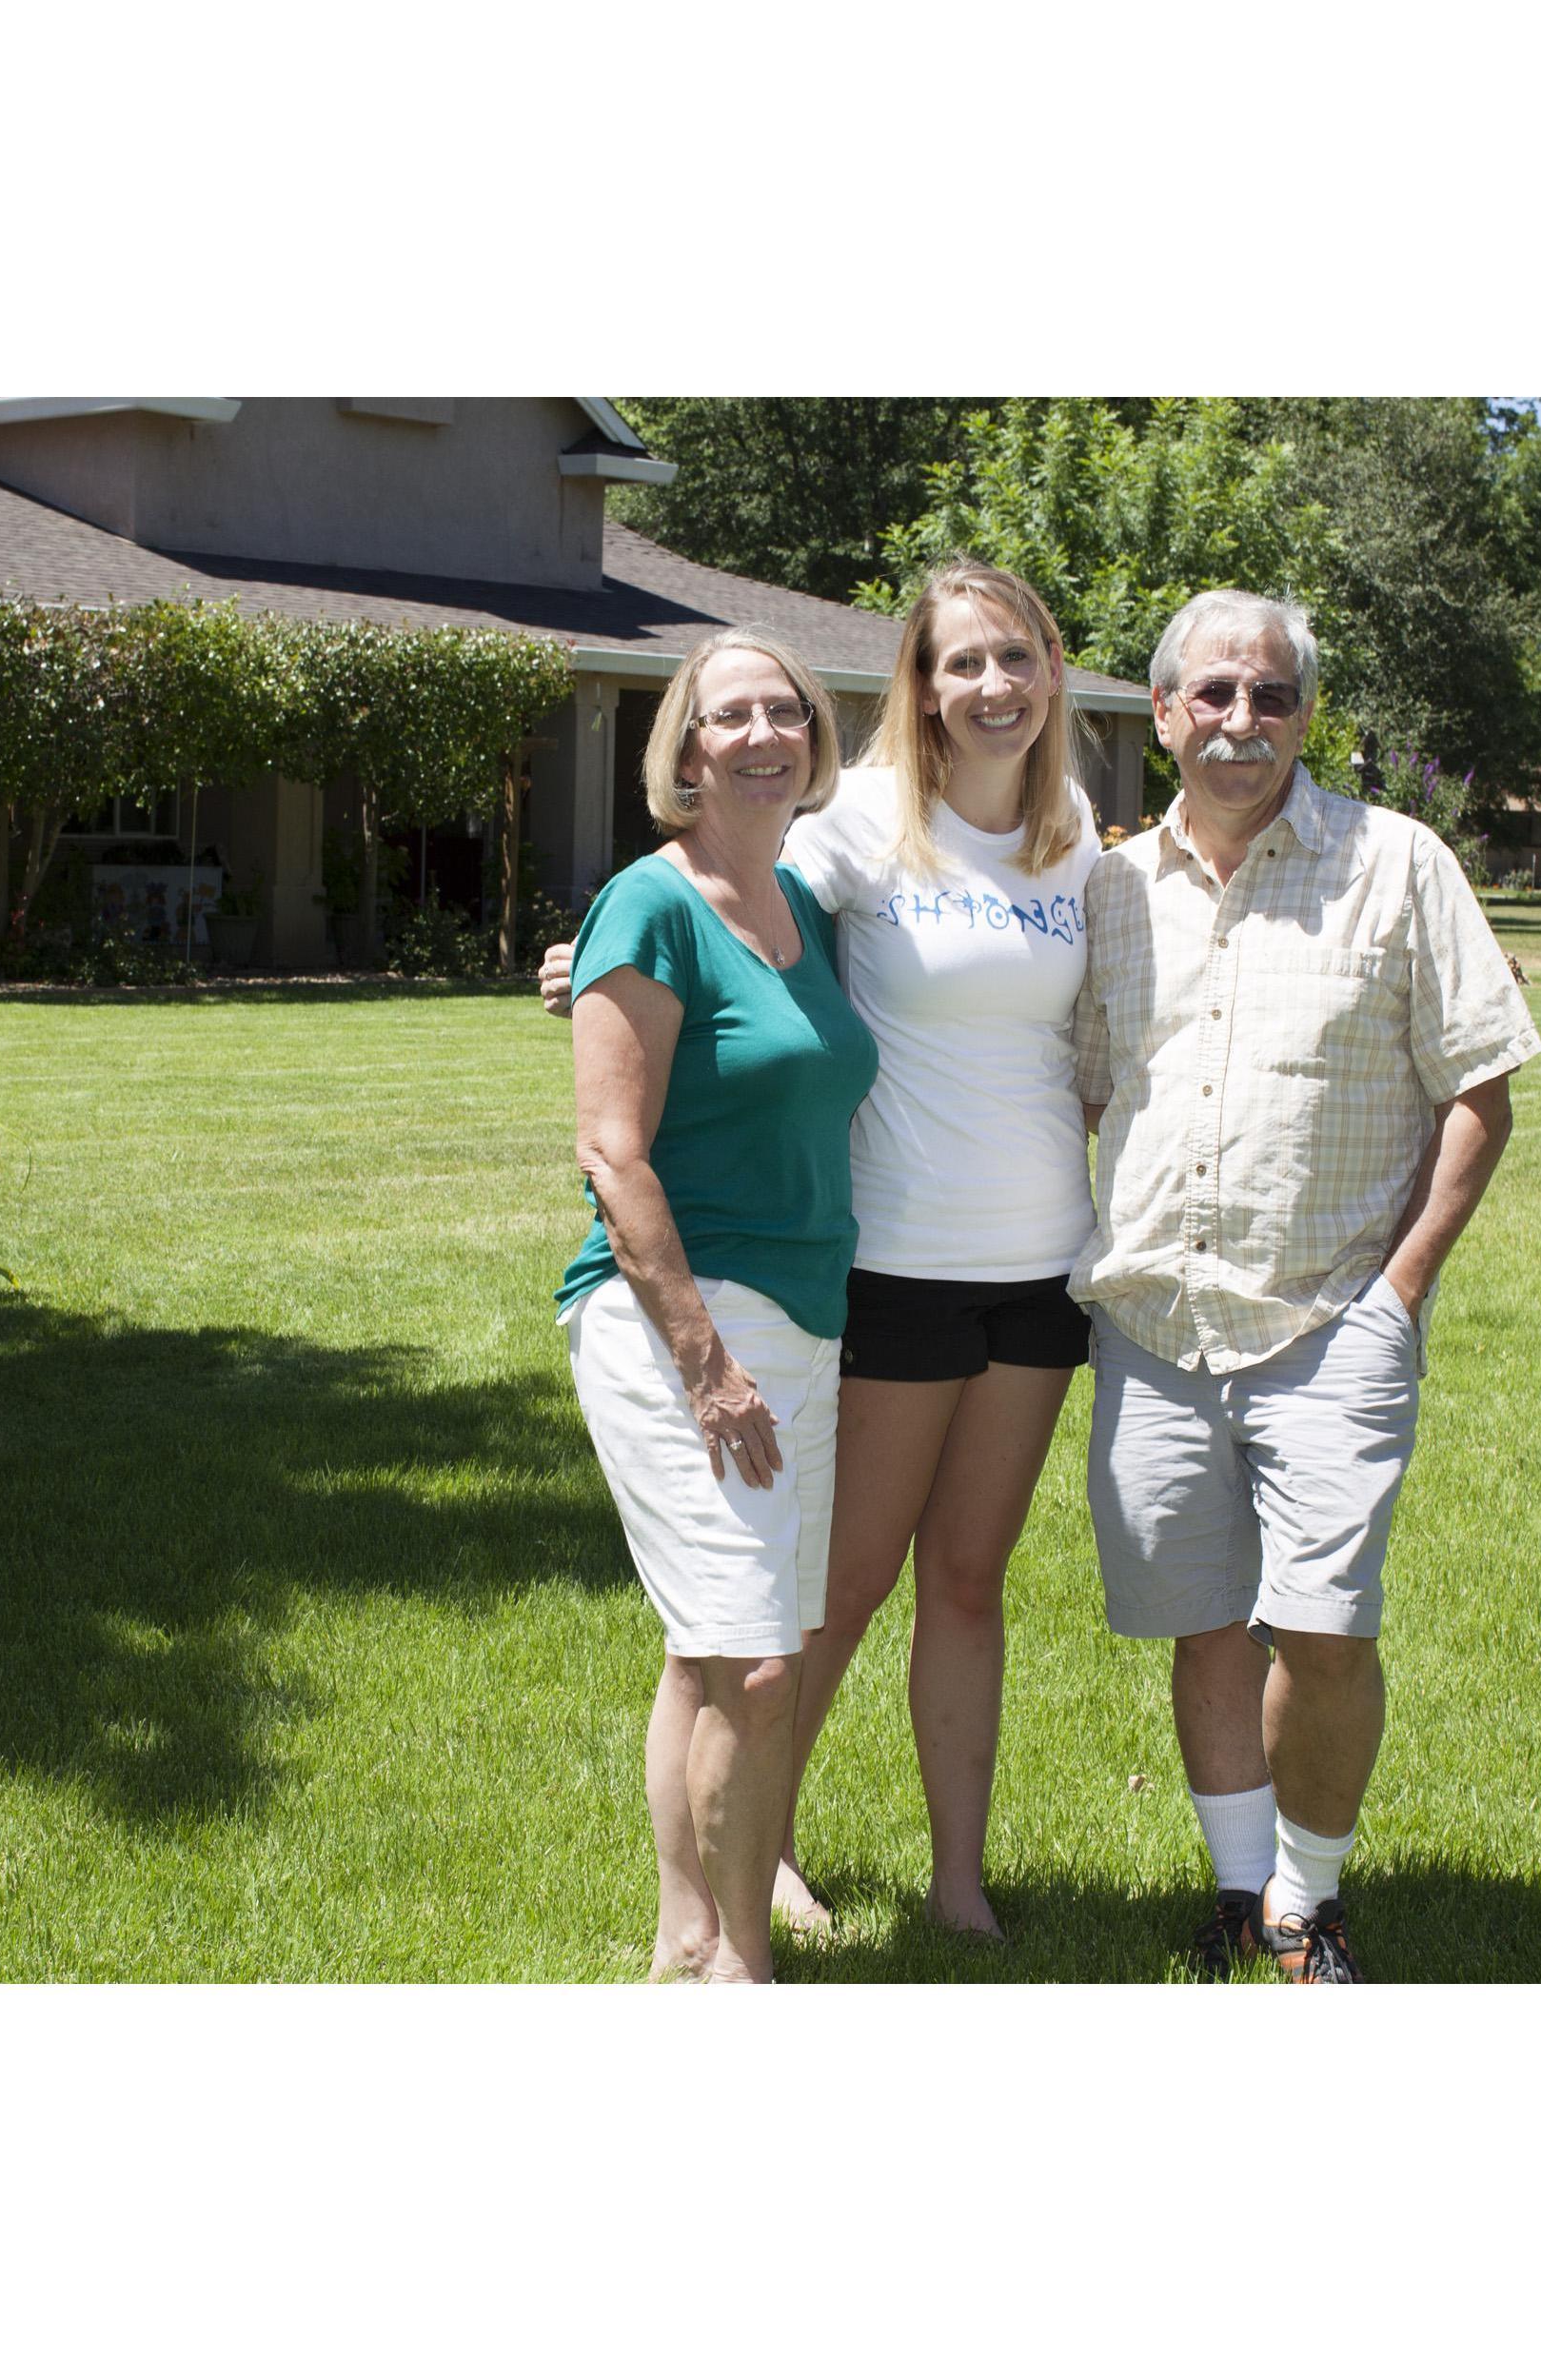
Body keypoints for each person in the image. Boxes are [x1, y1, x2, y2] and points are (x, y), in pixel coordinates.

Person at [549, 559, 1101, 1938]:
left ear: (1053, 673)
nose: (993, 685)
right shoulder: (861, 818)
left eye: (1016, 657)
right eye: (961, 662)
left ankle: (957, 1883)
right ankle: (758, 1858)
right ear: (918, 685)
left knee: (966, 1584)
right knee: (830, 1595)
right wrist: (590, 967)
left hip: (1044, 1266)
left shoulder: (1077, 835)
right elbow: (726, 914)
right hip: (894, 1257)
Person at [1071, 588, 1541, 1981]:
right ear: (1164, 713)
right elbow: (1064, 1080)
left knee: (1325, 1630)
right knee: (1205, 1622)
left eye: (1271, 695)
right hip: (1154, 1323)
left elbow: (1480, 1090)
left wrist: (1400, 1292)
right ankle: (1241, 1890)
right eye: (1214, 693)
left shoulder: (1397, 865)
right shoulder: (1111, 891)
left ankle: (1310, 1896)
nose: (1243, 719)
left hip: (1333, 1320)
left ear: (1306, 715)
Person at [559, 625, 877, 1984]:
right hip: (684, 1322)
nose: (761, 736)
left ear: (816, 737)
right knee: (752, 1663)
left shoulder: (803, 906)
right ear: (684, 749)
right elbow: (611, 1151)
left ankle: (685, 1933)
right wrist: (706, 1362)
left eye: (784, 712)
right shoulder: (650, 902)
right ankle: (741, 1969)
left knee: (728, 1648)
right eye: (728, 716)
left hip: (804, 1315)